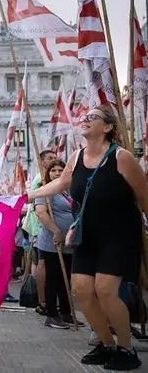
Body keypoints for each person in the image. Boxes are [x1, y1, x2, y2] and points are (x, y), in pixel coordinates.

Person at [29, 106, 145, 370]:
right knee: (81, 290)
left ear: (107, 128)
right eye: (84, 117)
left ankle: (126, 349)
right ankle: (107, 344)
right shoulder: (76, 156)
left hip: (119, 234)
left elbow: (144, 195)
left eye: (92, 117)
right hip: (87, 234)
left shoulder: (122, 157)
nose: (84, 120)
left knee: (105, 290)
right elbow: (60, 184)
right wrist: (29, 195)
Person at [33, 159, 81, 330]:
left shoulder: (67, 191)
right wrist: (56, 230)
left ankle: (66, 312)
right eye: (54, 170)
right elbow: (41, 213)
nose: (58, 173)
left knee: (66, 276)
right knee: (53, 277)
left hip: (70, 241)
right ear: (48, 173)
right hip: (53, 241)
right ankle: (52, 314)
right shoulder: (45, 191)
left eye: (61, 170)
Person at [30, 149, 58, 314]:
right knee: (42, 263)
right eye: (50, 158)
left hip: (45, 227)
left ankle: (47, 300)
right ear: (41, 161)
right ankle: (43, 301)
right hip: (40, 227)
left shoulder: (47, 178)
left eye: (55, 158)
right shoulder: (40, 180)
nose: (53, 160)